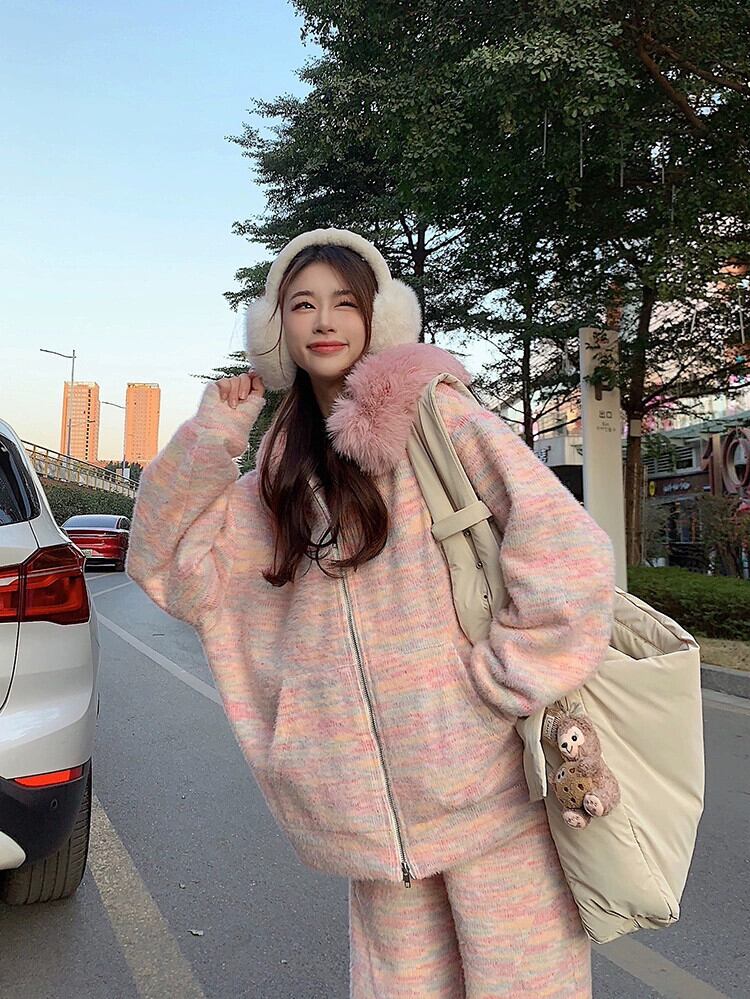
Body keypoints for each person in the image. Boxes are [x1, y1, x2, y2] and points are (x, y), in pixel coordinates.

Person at [126, 228, 616, 998]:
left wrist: (493, 688)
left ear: (379, 319)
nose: (324, 320)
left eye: (344, 303)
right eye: (302, 304)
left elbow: (570, 554)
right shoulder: (276, 482)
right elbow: (162, 564)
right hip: (370, 831)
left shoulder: (439, 420)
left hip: (493, 798)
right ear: (275, 330)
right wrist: (213, 436)